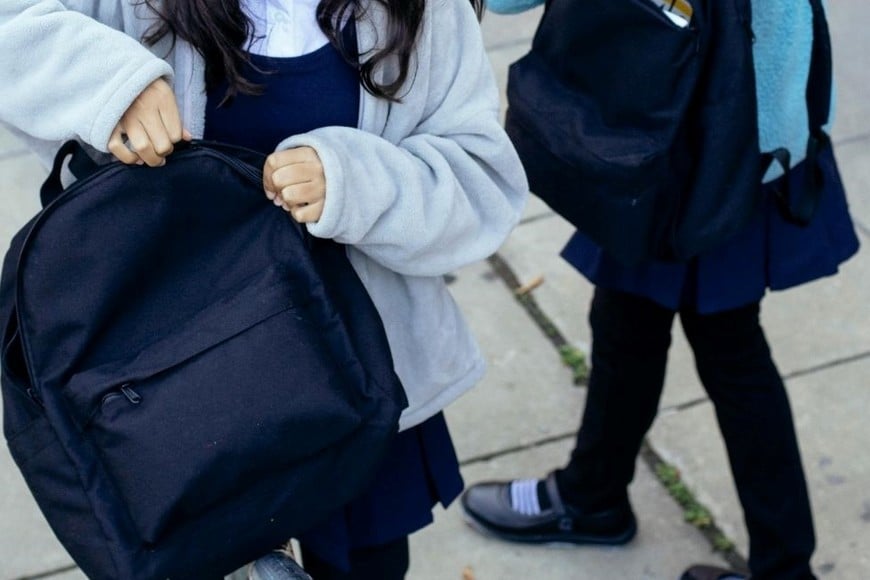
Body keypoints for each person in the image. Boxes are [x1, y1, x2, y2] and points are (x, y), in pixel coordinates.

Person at [0, 0, 528, 577]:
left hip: (357, 376)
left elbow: (481, 179)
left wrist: (359, 187)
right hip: (171, 388)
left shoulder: (422, 10)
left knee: (364, 563)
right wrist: (106, 80)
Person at [461, 2, 860, 580]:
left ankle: (781, 566)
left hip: (697, 141)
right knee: (630, 320)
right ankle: (594, 493)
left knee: (727, 350)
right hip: (732, 124)